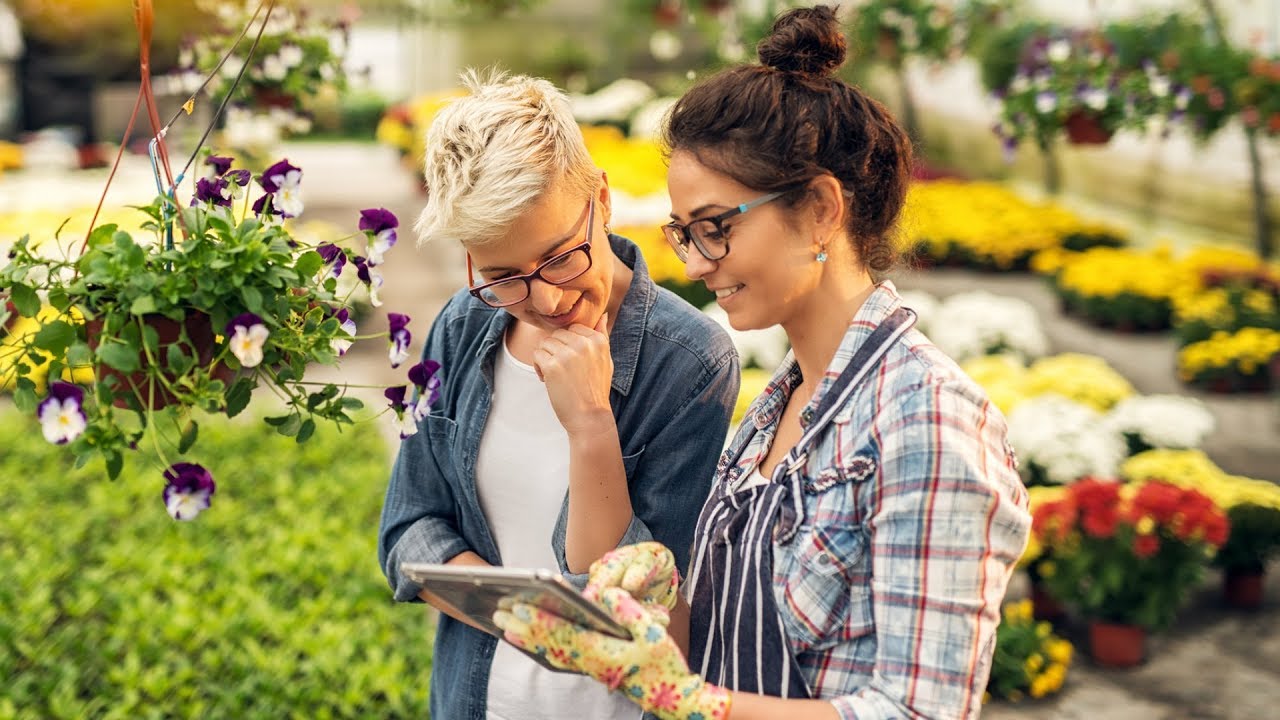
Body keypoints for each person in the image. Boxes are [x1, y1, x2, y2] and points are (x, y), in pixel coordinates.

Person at [494, 7, 1031, 720]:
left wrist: (692, 703)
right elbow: (718, 647)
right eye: (684, 233)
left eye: (715, 229)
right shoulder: (776, 408)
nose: (693, 262)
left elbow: (917, 711)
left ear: (819, 211)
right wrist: (649, 600)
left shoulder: (927, 423)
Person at [377, 70, 741, 720]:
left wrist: (592, 425)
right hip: (472, 699)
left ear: (600, 198)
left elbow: (647, 609)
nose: (544, 299)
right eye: (502, 275)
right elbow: (408, 526)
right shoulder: (462, 327)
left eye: (559, 256)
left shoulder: (687, 364)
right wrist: (529, 623)